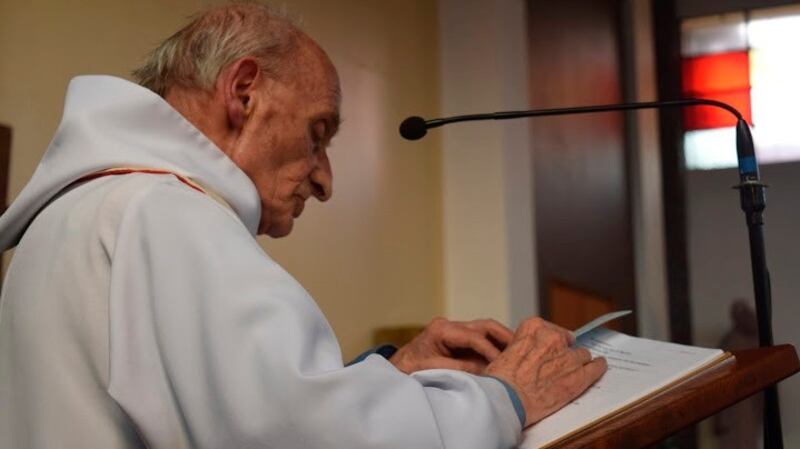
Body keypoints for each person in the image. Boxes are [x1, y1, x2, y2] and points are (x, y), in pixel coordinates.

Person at [0, 4, 606, 448]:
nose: (325, 181)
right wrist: (505, 397)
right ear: (243, 92)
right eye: (318, 135)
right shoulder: (164, 212)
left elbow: (233, 416)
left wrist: (391, 373)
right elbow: (306, 441)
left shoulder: (88, 209)